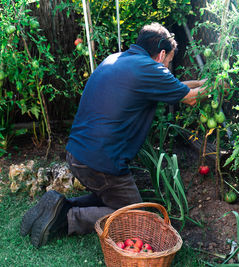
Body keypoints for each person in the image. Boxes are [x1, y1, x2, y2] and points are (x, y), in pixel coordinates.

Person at [20, 22, 209, 248]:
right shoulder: (150, 69)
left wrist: (200, 83)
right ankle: (67, 219)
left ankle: (61, 205)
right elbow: (189, 97)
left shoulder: (118, 60)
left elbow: (178, 89)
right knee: (135, 218)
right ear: (160, 55)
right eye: (169, 61)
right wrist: (215, 87)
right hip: (101, 163)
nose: (168, 67)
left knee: (110, 196)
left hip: (78, 155)